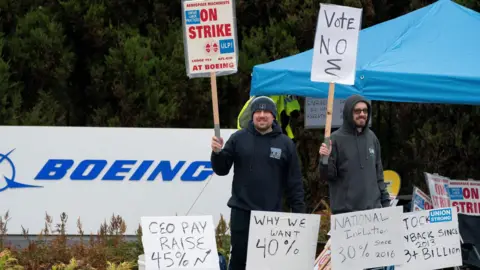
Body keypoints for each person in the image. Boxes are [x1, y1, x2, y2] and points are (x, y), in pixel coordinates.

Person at [210, 96, 306, 270]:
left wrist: (299, 215)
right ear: (252, 115)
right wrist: (217, 153)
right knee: (239, 261)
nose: (262, 115)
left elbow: (295, 183)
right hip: (242, 213)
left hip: (271, 217)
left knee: (268, 265)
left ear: (274, 116)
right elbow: (221, 169)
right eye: (258, 112)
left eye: (266, 112)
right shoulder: (238, 138)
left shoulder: (285, 144)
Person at [318, 94, 390, 215]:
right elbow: (327, 176)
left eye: (365, 110)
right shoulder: (334, 139)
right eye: (357, 111)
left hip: (373, 212)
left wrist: (386, 203)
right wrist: (325, 160)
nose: (362, 114)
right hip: (346, 215)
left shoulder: (372, 138)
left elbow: (379, 175)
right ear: (348, 112)